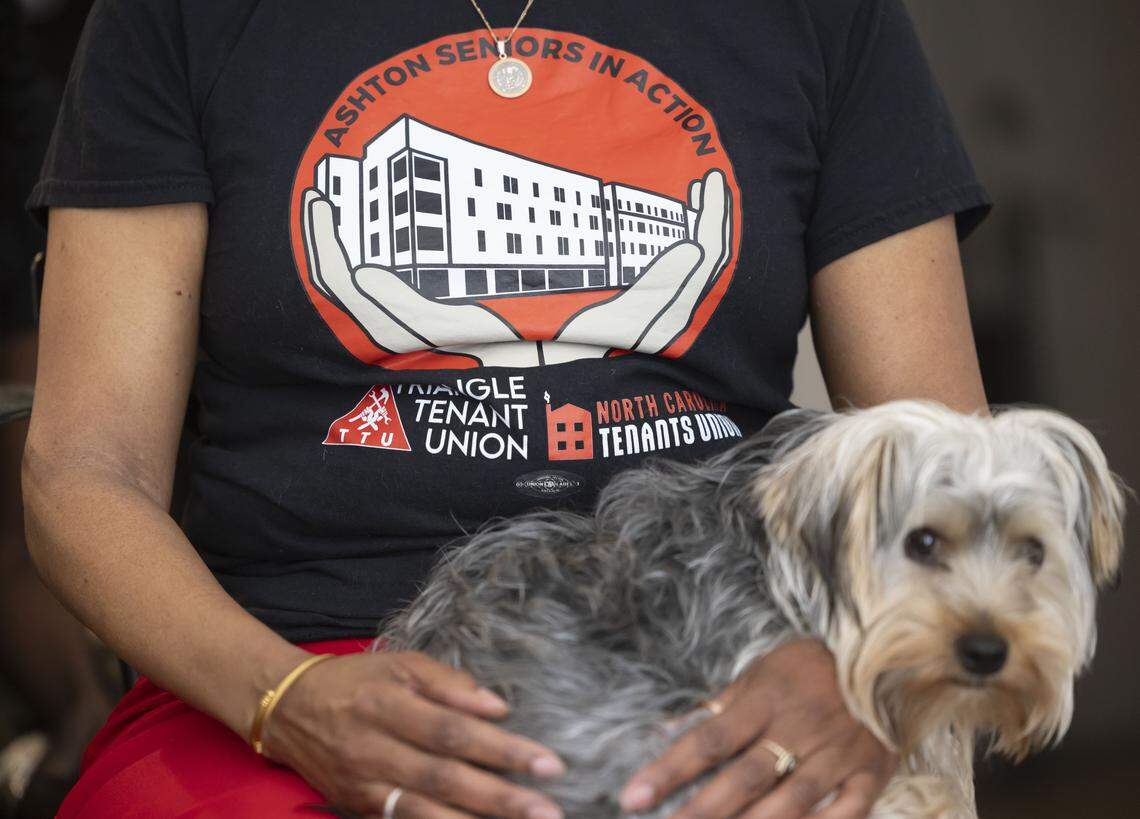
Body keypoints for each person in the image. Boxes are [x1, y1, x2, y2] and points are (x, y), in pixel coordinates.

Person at [20, 0, 991, 816]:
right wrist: (287, 699)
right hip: (294, 659)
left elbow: (950, 466)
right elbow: (83, 470)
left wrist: (857, 670)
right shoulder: (179, 16)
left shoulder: (821, 15)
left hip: (726, 652)